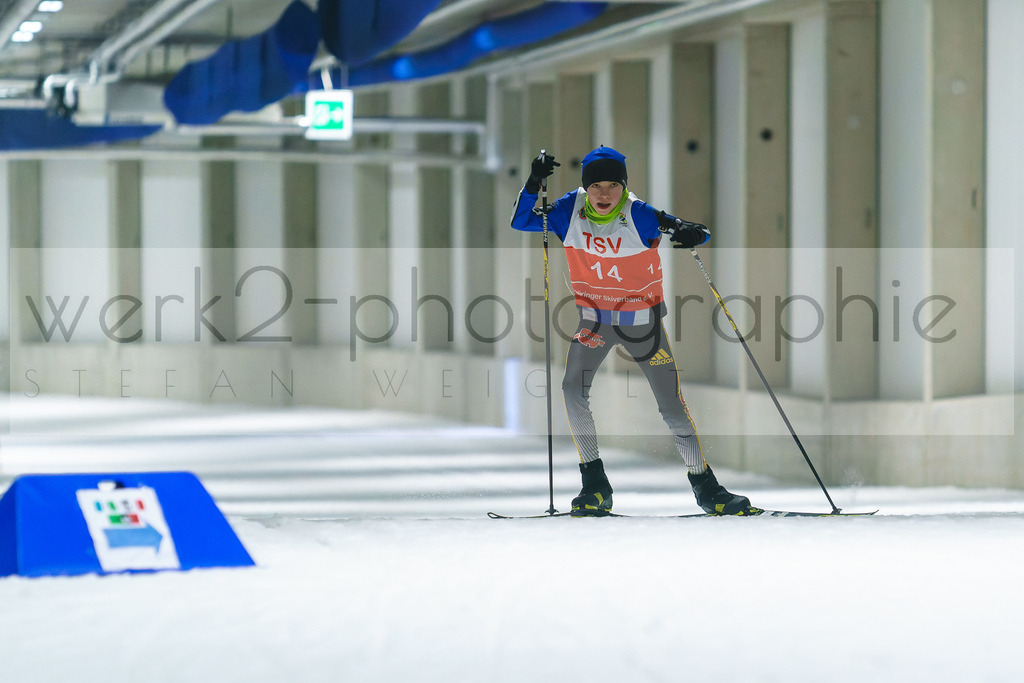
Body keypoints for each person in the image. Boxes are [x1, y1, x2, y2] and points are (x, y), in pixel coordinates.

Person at [510, 145, 755, 516]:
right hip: (594, 321)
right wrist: (533, 181)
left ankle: (707, 488)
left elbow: (692, 230)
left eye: (613, 185)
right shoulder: (566, 210)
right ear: (585, 188)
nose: (605, 194)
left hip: (641, 324)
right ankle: (594, 484)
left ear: (623, 186)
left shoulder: (636, 213)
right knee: (571, 390)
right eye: (596, 187)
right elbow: (521, 220)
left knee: (670, 406)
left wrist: (691, 234)